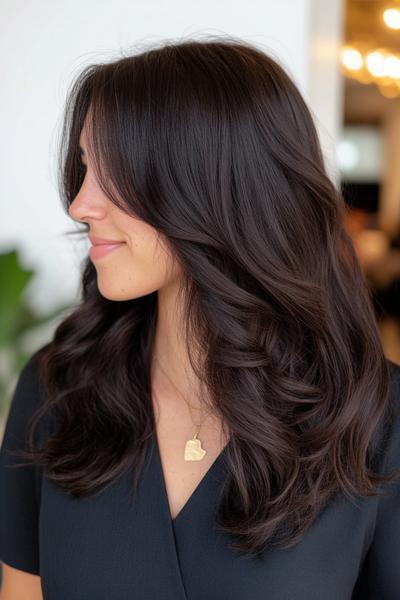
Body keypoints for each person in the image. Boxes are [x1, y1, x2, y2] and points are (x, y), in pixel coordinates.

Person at [1, 36, 400, 600]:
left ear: (214, 184)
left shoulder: (376, 419)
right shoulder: (57, 389)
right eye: (85, 167)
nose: (80, 204)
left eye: (113, 170)